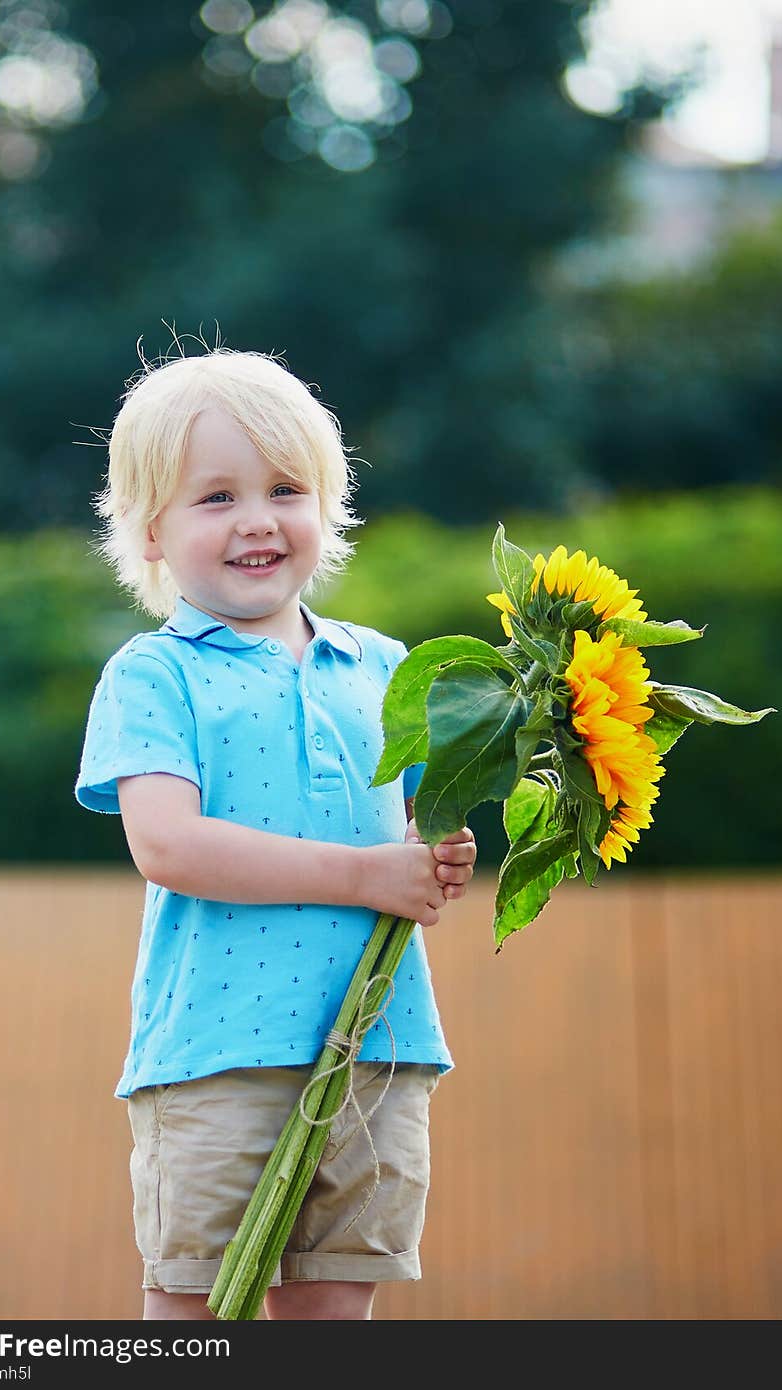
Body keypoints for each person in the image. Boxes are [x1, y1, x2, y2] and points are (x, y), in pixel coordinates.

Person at [74, 341, 477, 1321]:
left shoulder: (387, 668)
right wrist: (365, 875)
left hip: (378, 1048)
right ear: (151, 533)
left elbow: (414, 840)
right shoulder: (154, 673)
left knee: (335, 1314)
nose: (257, 519)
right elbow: (167, 844)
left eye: (286, 488)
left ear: (327, 505)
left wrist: (439, 862)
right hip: (217, 1053)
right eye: (215, 498)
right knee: (197, 1313)